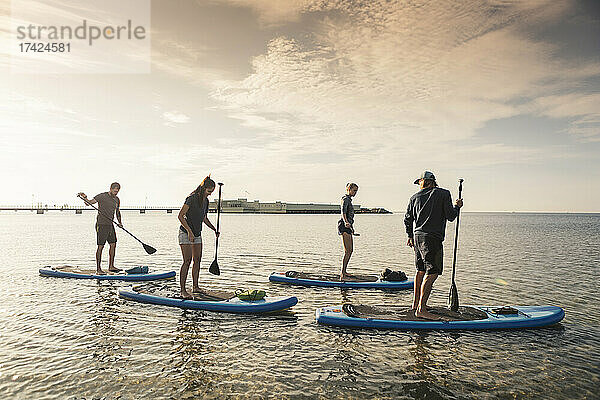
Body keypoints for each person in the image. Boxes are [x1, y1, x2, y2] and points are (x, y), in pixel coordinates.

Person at [404, 171, 463, 320]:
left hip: (418, 237)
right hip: (431, 238)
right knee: (433, 271)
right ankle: (421, 309)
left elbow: (407, 219)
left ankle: (416, 304)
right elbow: (451, 216)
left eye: (421, 181)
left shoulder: (414, 198)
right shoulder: (443, 194)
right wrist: (457, 206)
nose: (420, 185)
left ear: (429, 181)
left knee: (421, 270)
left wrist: (410, 236)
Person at [178, 176, 219, 299]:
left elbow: (204, 218)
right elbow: (180, 216)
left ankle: (195, 287)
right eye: (209, 191)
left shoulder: (206, 201)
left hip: (197, 233)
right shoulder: (191, 198)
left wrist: (214, 229)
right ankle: (183, 290)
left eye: (212, 192)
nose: (210, 194)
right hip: (185, 233)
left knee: (197, 260)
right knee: (187, 261)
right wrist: (189, 231)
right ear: (203, 188)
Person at [78, 182, 123, 274]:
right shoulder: (102, 196)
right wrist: (85, 197)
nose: (116, 192)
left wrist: (120, 222)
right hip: (101, 224)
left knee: (113, 244)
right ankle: (98, 269)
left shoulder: (117, 199)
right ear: (110, 189)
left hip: (110, 225)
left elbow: (117, 211)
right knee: (101, 246)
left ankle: (111, 266)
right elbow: (89, 203)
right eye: (114, 190)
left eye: (117, 191)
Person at [338, 182, 358, 281]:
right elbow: (343, 212)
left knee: (350, 250)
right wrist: (346, 222)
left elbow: (350, 216)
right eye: (354, 190)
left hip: (348, 226)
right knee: (348, 251)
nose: (355, 193)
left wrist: (351, 227)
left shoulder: (349, 200)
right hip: (343, 226)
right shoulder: (345, 199)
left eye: (356, 191)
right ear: (349, 189)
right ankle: (342, 274)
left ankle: (344, 271)